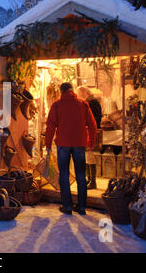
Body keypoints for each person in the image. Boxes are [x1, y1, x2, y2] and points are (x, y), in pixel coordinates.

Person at [45, 83, 97, 215]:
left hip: (63, 144)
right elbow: (92, 124)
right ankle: (81, 207)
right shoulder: (83, 104)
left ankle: (67, 206)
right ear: (72, 91)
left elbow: (50, 127)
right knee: (81, 175)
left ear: (61, 91)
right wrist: (91, 141)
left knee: (63, 175)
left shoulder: (57, 105)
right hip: (79, 144)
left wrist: (48, 145)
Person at [76, 86, 102, 189]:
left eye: (80, 95)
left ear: (84, 93)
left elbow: (94, 118)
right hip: (87, 132)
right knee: (87, 156)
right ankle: (88, 179)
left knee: (90, 157)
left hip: (91, 132)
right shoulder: (90, 102)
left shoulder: (93, 102)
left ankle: (93, 181)